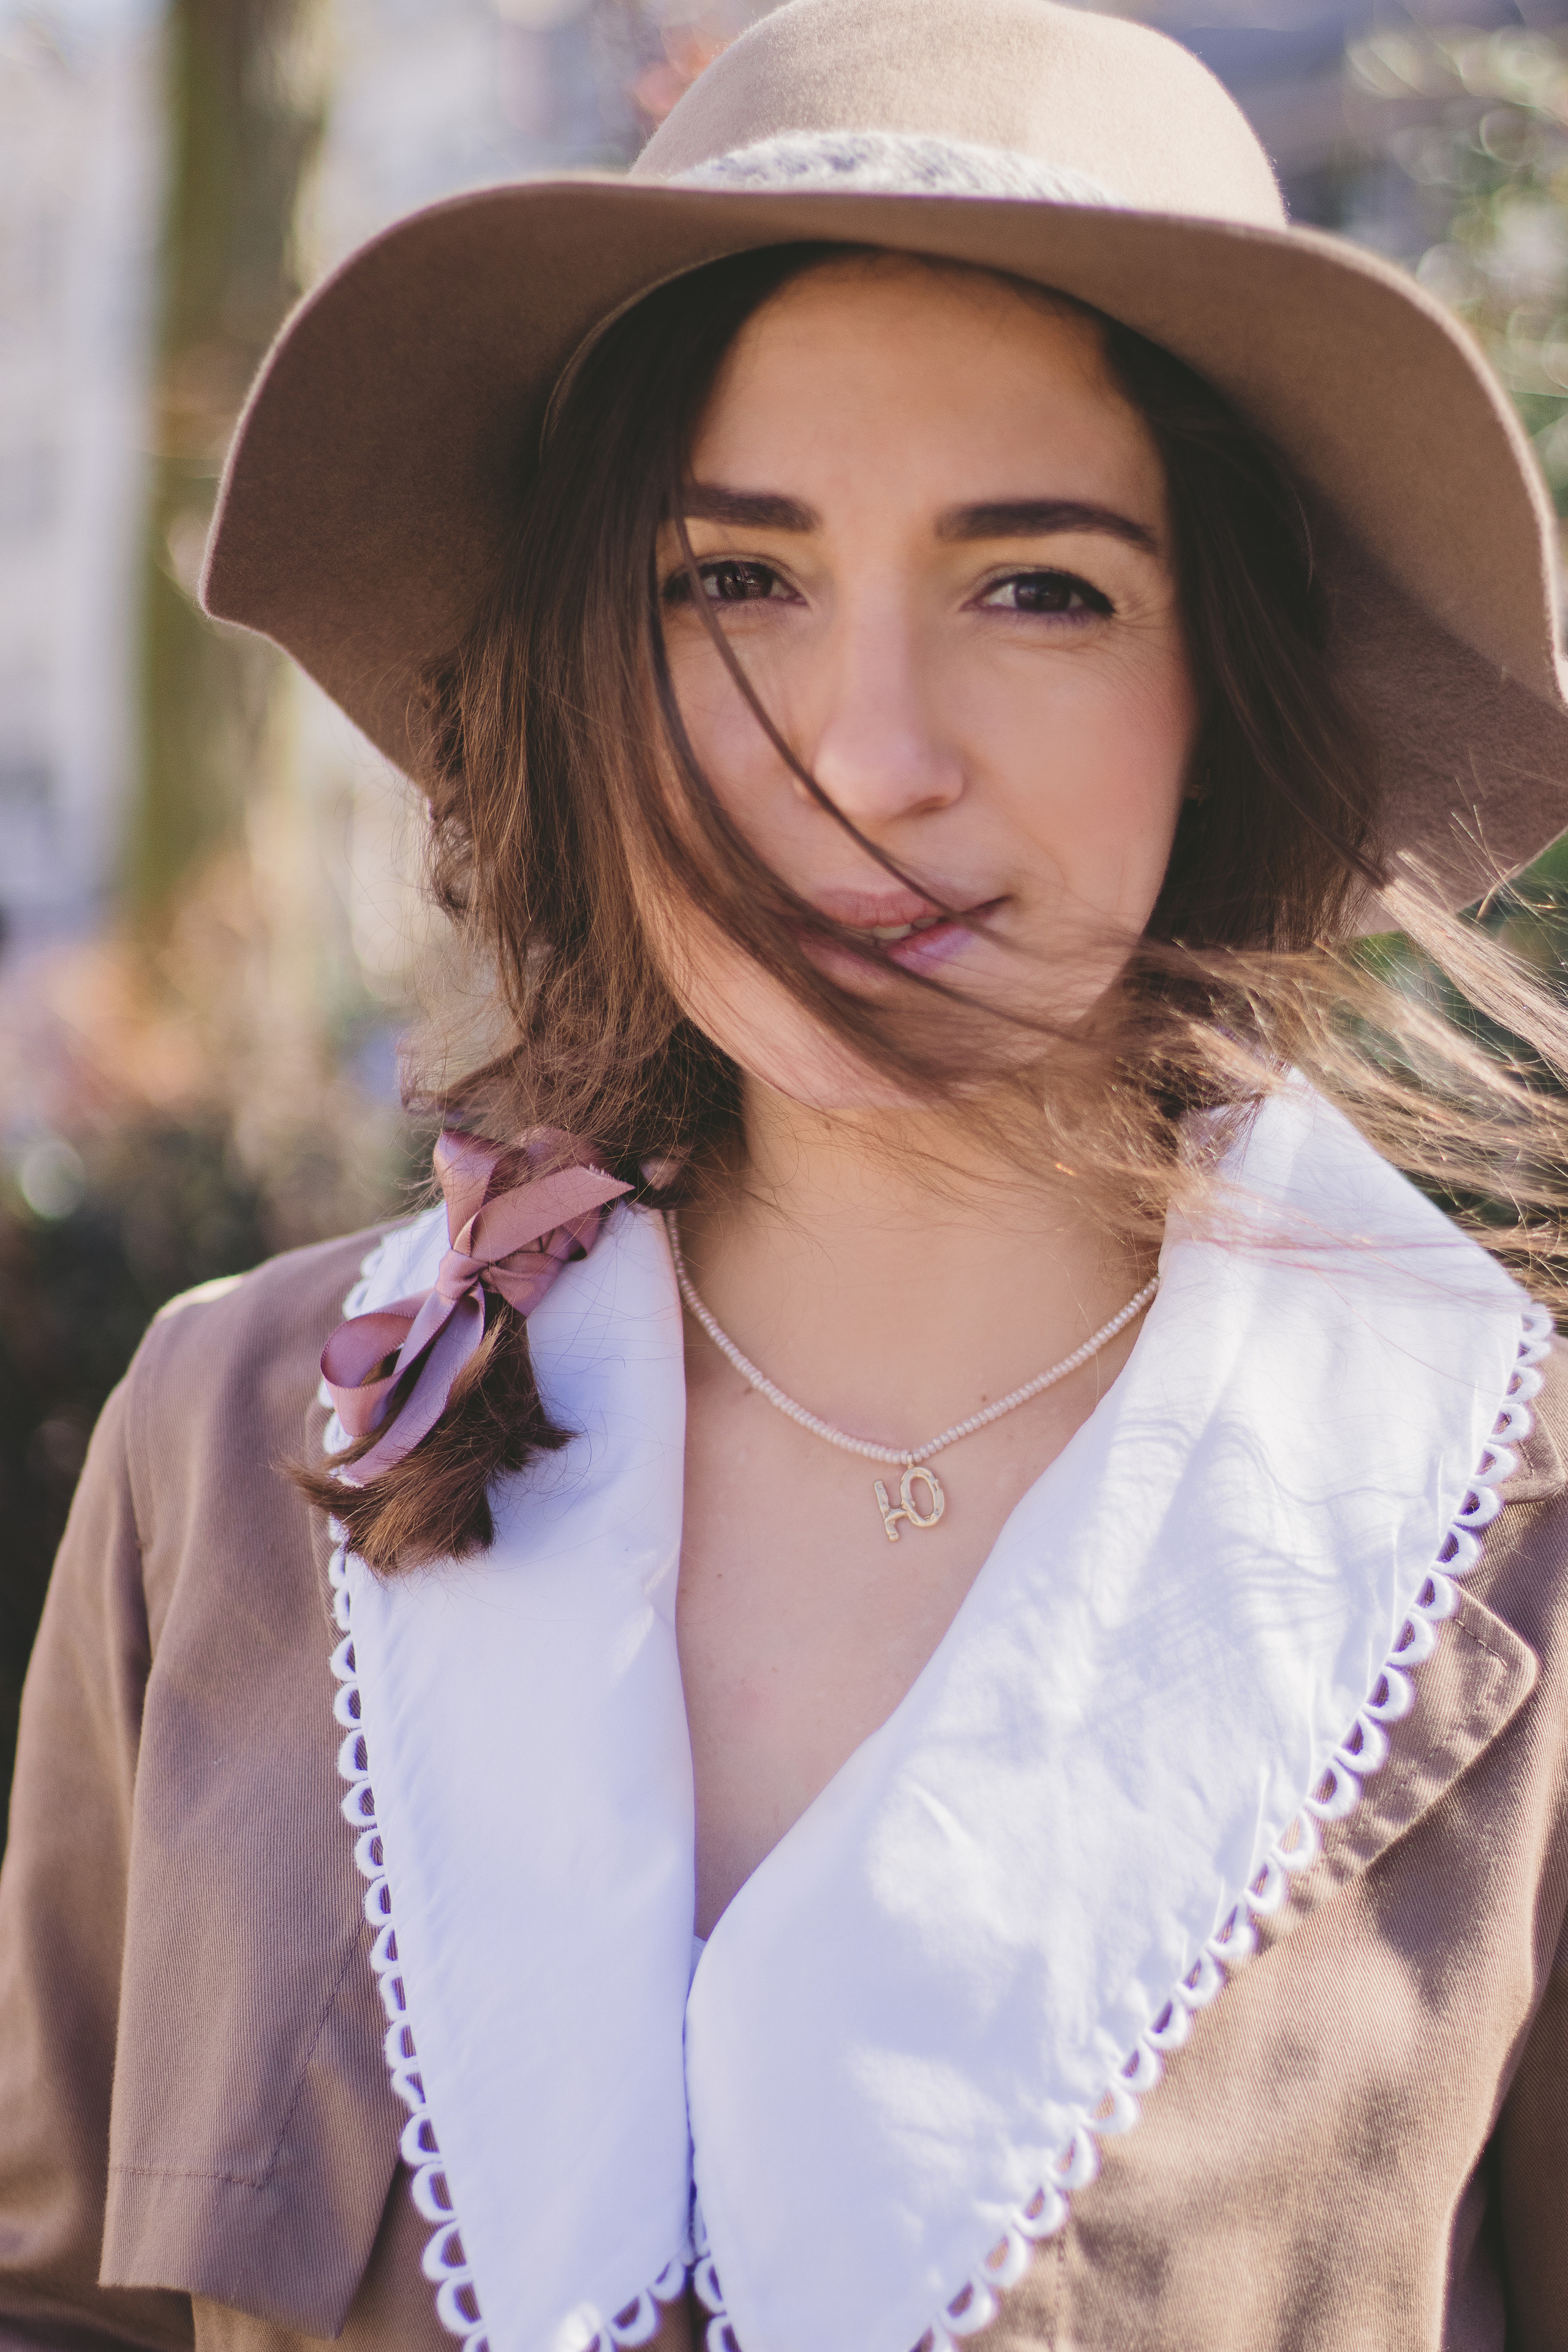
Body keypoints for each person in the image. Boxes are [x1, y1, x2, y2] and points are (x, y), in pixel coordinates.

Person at [4, 1, 1568, 2346]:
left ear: (1226, 682)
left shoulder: (1507, 1552)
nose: (869, 755)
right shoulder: (240, 1446)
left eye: (1038, 587)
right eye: (729, 581)